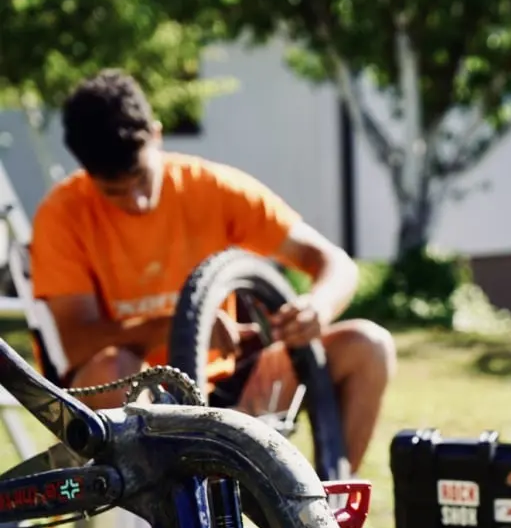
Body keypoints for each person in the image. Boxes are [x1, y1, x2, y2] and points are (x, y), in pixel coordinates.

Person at [30, 69, 395, 472]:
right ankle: (166, 521)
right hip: (141, 397)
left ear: (156, 135)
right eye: (114, 192)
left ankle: (328, 514)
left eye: (140, 177)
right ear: (86, 171)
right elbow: (77, 344)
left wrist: (317, 307)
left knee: (368, 345)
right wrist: (178, 325)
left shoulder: (211, 187)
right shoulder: (62, 215)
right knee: (110, 367)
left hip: (230, 385)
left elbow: (333, 262)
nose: (135, 200)